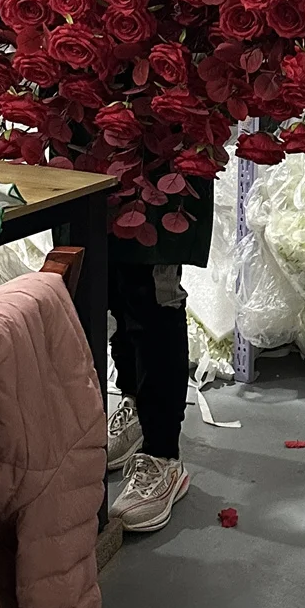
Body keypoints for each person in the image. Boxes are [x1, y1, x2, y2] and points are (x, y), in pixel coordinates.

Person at [105, 181, 213, 533]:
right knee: (105, 278)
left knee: (149, 289)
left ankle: (163, 454)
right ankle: (134, 404)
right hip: (88, 147)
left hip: (157, 150)